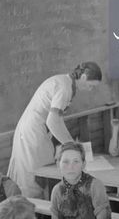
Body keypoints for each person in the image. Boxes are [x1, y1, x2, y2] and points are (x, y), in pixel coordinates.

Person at [7, 62, 102, 198]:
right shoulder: (65, 88)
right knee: (32, 179)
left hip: (35, 131)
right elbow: (52, 121)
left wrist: (70, 144)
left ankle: (37, 211)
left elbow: (56, 120)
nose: (91, 89)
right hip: (32, 134)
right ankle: (31, 214)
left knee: (40, 176)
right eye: (91, 85)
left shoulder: (64, 82)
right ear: (84, 77)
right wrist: (72, 146)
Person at [51, 142, 111, 219]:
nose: (71, 167)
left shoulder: (95, 186)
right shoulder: (57, 190)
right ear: (58, 164)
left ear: (83, 164)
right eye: (65, 162)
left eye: (76, 161)